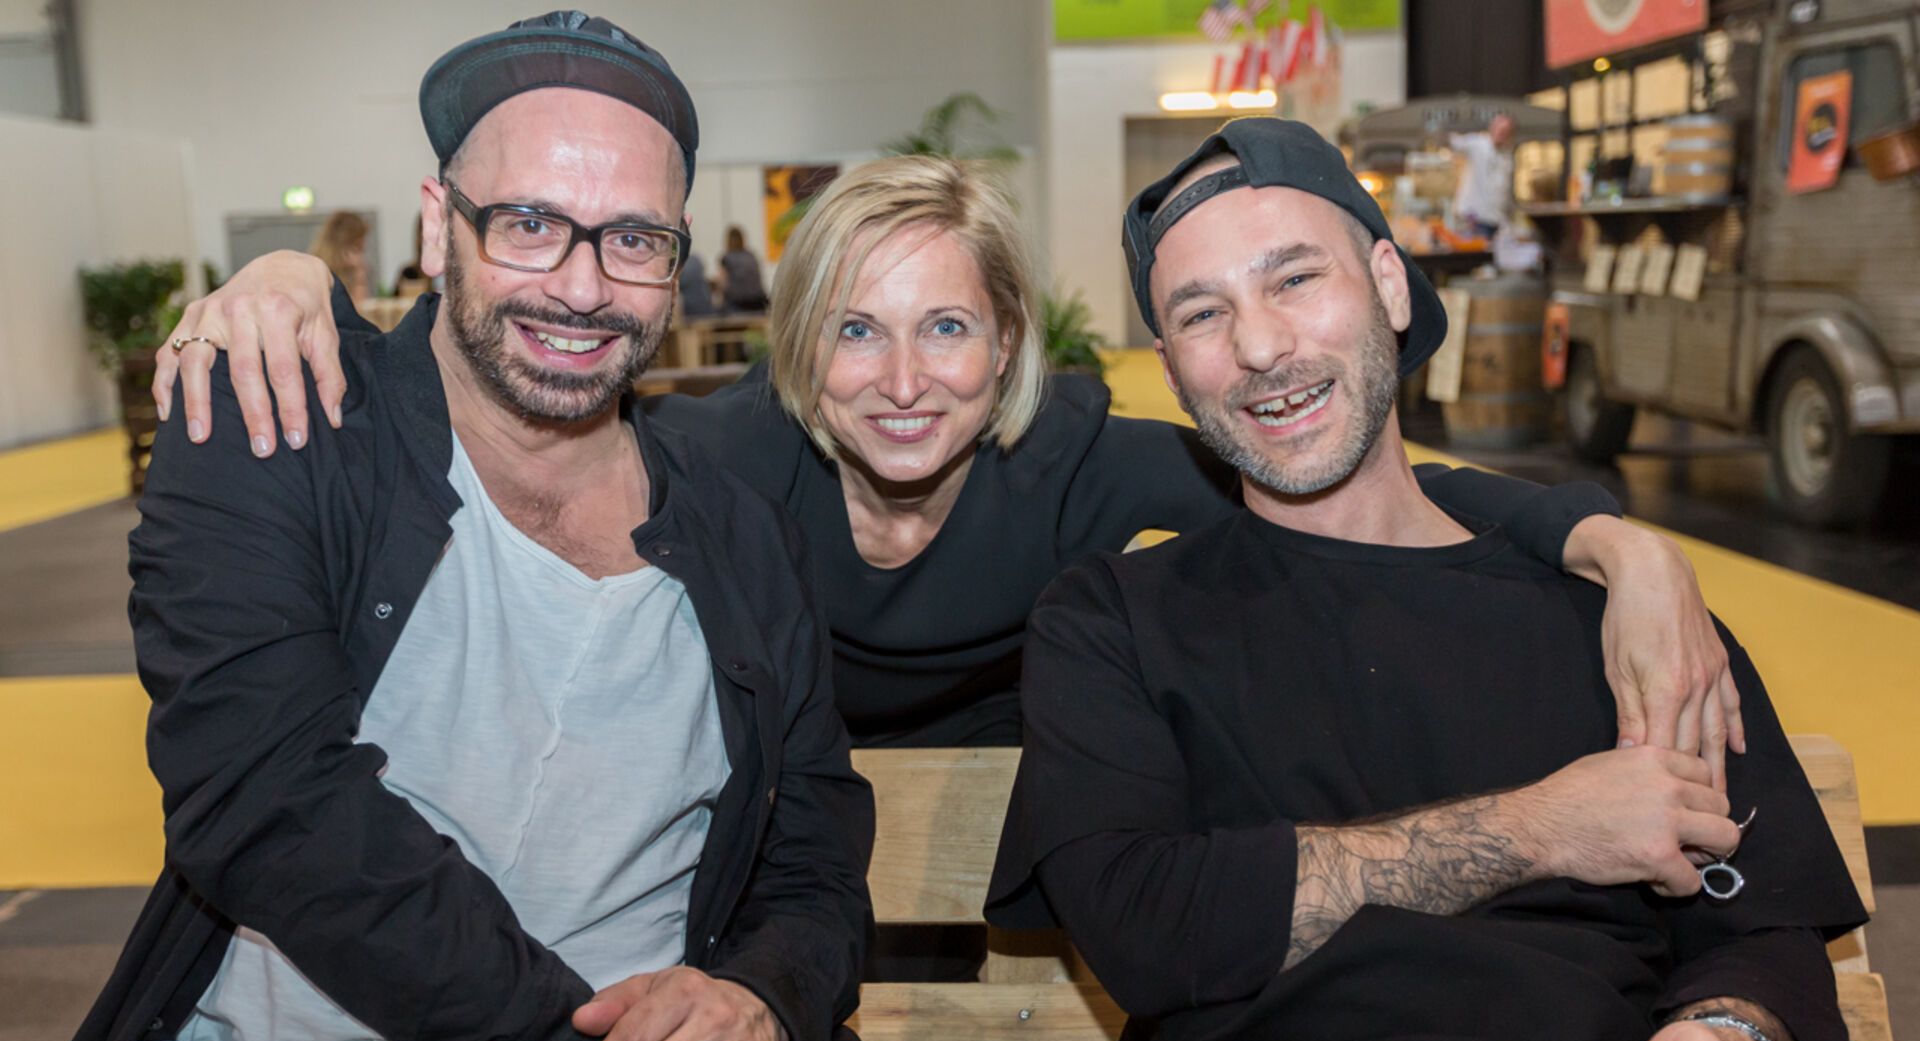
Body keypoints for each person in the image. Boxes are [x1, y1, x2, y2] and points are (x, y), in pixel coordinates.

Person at [0, 14, 917, 1041]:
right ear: (439, 226)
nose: (582, 287)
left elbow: (812, 843)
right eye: (529, 222)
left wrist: (758, 1010)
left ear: (676, 259)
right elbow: (267, 802)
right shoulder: (273, 428)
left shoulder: (738, 533)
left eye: (634, 239)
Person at [954, 117, 1919, 1041]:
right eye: (1202, 313)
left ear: (1389, 283)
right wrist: (1541, 825)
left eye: (1294, 279)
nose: (1259, 346)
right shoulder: (1115, 617)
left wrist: (1725, 1030)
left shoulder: (1619, 618)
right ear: (1169, 365)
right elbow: (1150, 926)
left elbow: (1757, 925)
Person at [154, 157, 1742, 765]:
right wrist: (296, 293)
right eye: (855, 331)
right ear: (799, 350)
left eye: (947, 332)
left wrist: (1618, 543)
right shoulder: (717, 459)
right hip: (790, 837)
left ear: (1008, 349)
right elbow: (484, 423)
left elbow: (1363, 484)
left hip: (1013, 844)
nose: (905, 384)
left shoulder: (1069, 461)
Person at [1450, 110, 1516, 241]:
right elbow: (1455, 143)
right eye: (1500, 130)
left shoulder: (1507, 155)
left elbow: (1503, 190)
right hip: (1474, 217)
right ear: (1492, 128)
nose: (1501, 134)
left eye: (1506, 132)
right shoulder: (1477, 144)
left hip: (1495, 219)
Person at [308, 208, 372, 304]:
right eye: (359, 242)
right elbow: (355, 308)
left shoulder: (316, 265)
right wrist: (359, 275)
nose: (364, 245)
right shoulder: (319, 271)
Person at [716, 224, 769, 312]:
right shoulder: (751, 256)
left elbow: (723, 285)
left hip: (737, 306)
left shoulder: (727, 258)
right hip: (758, 304)